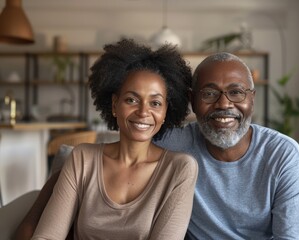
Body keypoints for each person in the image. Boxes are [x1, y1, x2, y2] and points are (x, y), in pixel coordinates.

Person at [16, 51, 299, 239]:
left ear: (252, 99)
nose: (223, 104)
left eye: (236, 93)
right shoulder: (169, 137)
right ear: (192, 101)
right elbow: (96, 158)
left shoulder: (283, 155)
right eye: (209, 93)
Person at [27, 38, 198, 240]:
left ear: (166, 111)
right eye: (131, 100)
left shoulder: (180, 169)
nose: (144, 111)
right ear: (115, 105)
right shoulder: (82, 158)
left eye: (155, 103)